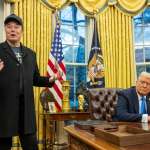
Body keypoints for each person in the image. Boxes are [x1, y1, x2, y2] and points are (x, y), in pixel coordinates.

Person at [0, 13, 60, 150]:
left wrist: (51, 79)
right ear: (5, 30)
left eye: (16, 27)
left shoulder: (30, 54)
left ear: (22, 30)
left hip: (26, 108)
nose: (13, 30)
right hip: (4, 109)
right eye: (9, 27)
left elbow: (35, 78)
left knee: (31, 145)